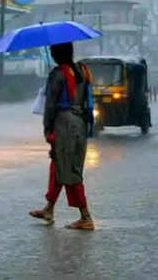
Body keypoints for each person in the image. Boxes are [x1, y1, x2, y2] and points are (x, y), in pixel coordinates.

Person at [29, 42, 95, 230]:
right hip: (80, 123)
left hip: (64, 125)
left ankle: (85, 216)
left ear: (57, 54)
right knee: (59, 165)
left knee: (70, 170)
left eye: (52, 52)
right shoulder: (82, 71)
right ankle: (49, 208)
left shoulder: (57, 75)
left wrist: (47, 130)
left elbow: (50, 106)